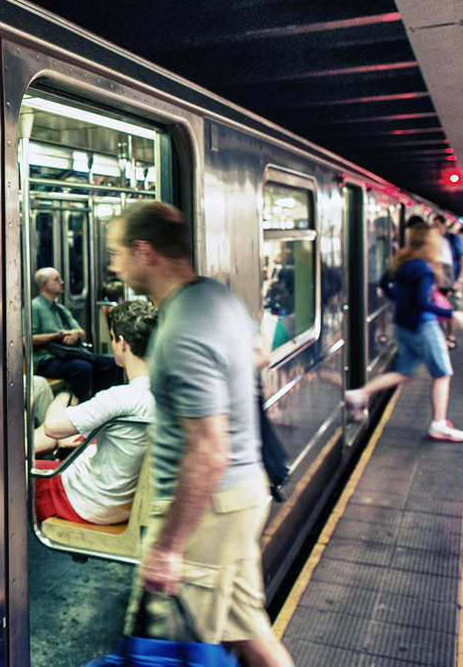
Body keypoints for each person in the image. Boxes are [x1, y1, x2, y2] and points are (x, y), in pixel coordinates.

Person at [108, 201, 293, 667]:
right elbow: (258, 355)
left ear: (144, 251)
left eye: (117, 252)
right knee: (250, 635)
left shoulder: (181, 328)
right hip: (243, 496)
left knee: (166, 653)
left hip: (208, 510)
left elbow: (210, 451)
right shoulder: (216, 297)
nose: (113, 265)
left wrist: (168, 548)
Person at [344, 223, 463, 441]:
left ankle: (359, 393)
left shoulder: (402, 261)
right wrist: (453, 314)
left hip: (402, 325)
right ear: (430, 242)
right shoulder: (424, 268)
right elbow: (422, 303)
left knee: (406, 372)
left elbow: (385, 283)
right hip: (423, 326)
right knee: (443, 374)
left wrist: (399, 301)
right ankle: (439, 424)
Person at [32, 300, 157, 525]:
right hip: (124, 501)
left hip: (86, 501)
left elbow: (53, 426)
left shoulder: (120, 397)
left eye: (112, 337)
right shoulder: (170, 391)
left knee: (15, 469)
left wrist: (63, 398)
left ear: (122, 343)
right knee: (72, 440)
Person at [30, 267, 121, 401]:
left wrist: (74, 334)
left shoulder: (60, 309)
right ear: (44, 284)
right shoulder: (34, 307)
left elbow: (82, 333)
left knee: (110, 363)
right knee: (82, 368)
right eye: (57, 280)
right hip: (46, 359)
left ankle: (100, 403)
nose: (62, 282)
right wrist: (56, 336)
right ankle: (79, 406)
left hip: (67, 355)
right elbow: (26, 339)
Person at [432, 215, 463, 349]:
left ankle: (451, 336)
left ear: (444, 226)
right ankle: (440, 337)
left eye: (437, 225)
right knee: (438, 308)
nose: (435, 229)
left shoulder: (454, 239)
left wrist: (459, 280)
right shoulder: (433, 241)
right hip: (436, 283)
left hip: (451, 281)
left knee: (451, 307)